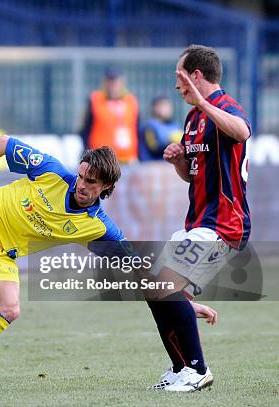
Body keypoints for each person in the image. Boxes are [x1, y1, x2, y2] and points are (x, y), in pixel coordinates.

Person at [0, 135, 217, 386]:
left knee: (8, 309)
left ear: (106, 188)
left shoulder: (98, 227)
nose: (80, 183)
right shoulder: (51, 171)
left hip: (2, 251)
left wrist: (183, 302)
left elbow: (136, 270)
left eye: (90, 181)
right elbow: (4, 143)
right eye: (80, 175)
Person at [145, 44, 251, 392]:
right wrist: (179, 161)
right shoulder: (193, 118)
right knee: (154, 286)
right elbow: (195, 175)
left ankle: (197, 369)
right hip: (199, 221)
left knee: (165, 284)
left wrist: (203, 102)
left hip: (224, 223)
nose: (176, 86)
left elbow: (242, 132)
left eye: (179, 76)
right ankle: (180, 369)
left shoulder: (223, 107)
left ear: (196, 76)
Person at [80, 67, 140, 163]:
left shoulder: (131, 101)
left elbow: (137, 129)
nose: (113, 86)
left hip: (128, 159)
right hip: (102, 160)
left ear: (122, 83)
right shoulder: (95, 100)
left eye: (116, 82)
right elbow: (84, 129)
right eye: (110, 82)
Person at [138, 96, 182, 161]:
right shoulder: (149, 126)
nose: (167, 109)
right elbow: (153, 146)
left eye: (168, 106)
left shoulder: (175, 125)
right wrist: (170, 140)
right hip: (151, 166)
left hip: (170, 166)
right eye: (163, 106)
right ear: (155, 108)